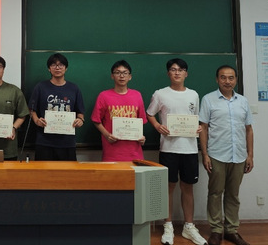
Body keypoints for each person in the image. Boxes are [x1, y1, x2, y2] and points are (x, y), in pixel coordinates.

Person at [146, 58, 207, 245]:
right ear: (168, 73)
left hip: (189, 149)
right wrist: (157, 126)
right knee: (169, 187)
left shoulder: (194, 95)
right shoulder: (160, 94)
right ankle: (168, 225)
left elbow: (194, 118)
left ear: (186, 73)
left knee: (188, 187)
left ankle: (189, 226)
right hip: (168, 148)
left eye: (181, 70)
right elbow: (149, 113)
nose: (177, 72)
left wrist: (197, 127)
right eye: (173, 69)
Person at [199, 65, 254, 245]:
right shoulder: (208, 100)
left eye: (231, 78)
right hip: (216, 154)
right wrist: (205, 154)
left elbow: (248, 129)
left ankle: (231, 230)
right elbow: (203, 128)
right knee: (215, 193)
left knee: (233, 194)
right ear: (217, 79)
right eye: (223, 77)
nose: (227, 81)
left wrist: (250, 155)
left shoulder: (243, 101)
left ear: (236, 80)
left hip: (239, 155)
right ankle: (216, 230)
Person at [29, 53, 85, 161]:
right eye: (53, 65)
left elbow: (80, 112)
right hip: (44, 141)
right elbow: (31, 109)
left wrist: (80, 120)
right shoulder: (40, 87)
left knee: (67, 172)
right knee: (43, 171)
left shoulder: (74, 88)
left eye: (61, 65)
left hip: (67, 142)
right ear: (49, 68)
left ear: (66, 68)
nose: (57, 68)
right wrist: (36, 121)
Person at [91, 60, 146, 161]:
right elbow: (96, 120)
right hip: (112, 153)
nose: (121, 76)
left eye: (125, 73)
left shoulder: (137, 95)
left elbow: (141, 120)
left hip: (134, 153)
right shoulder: (104, 96)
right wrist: (107, 135)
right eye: (118, 72)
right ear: (112, 76)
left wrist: (141, 137)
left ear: (130, 76)